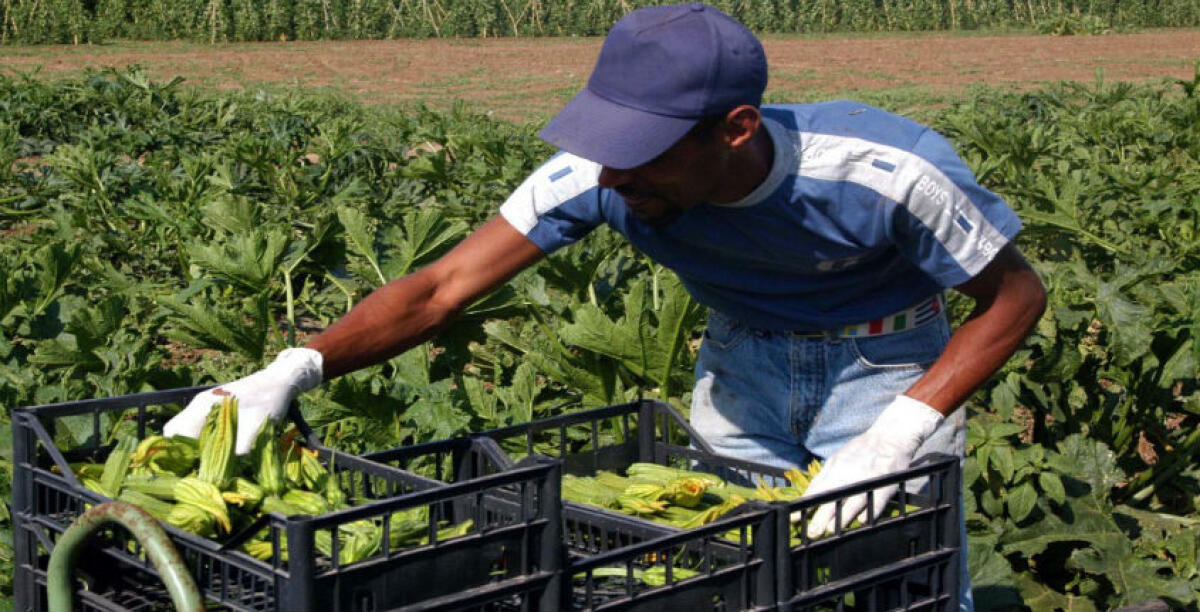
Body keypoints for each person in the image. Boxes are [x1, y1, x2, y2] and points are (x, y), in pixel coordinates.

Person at [165, 3, 1046, 608]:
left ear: (735, 128)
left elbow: (1014, 299)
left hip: (886, 367)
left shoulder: (886, 172)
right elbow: (440, 288)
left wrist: (896, 433)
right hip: (742, 370)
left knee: (911, 579)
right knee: (725, 573)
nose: (615, 174)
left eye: (644, 153)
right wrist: (296, 367)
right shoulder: (599, 173)